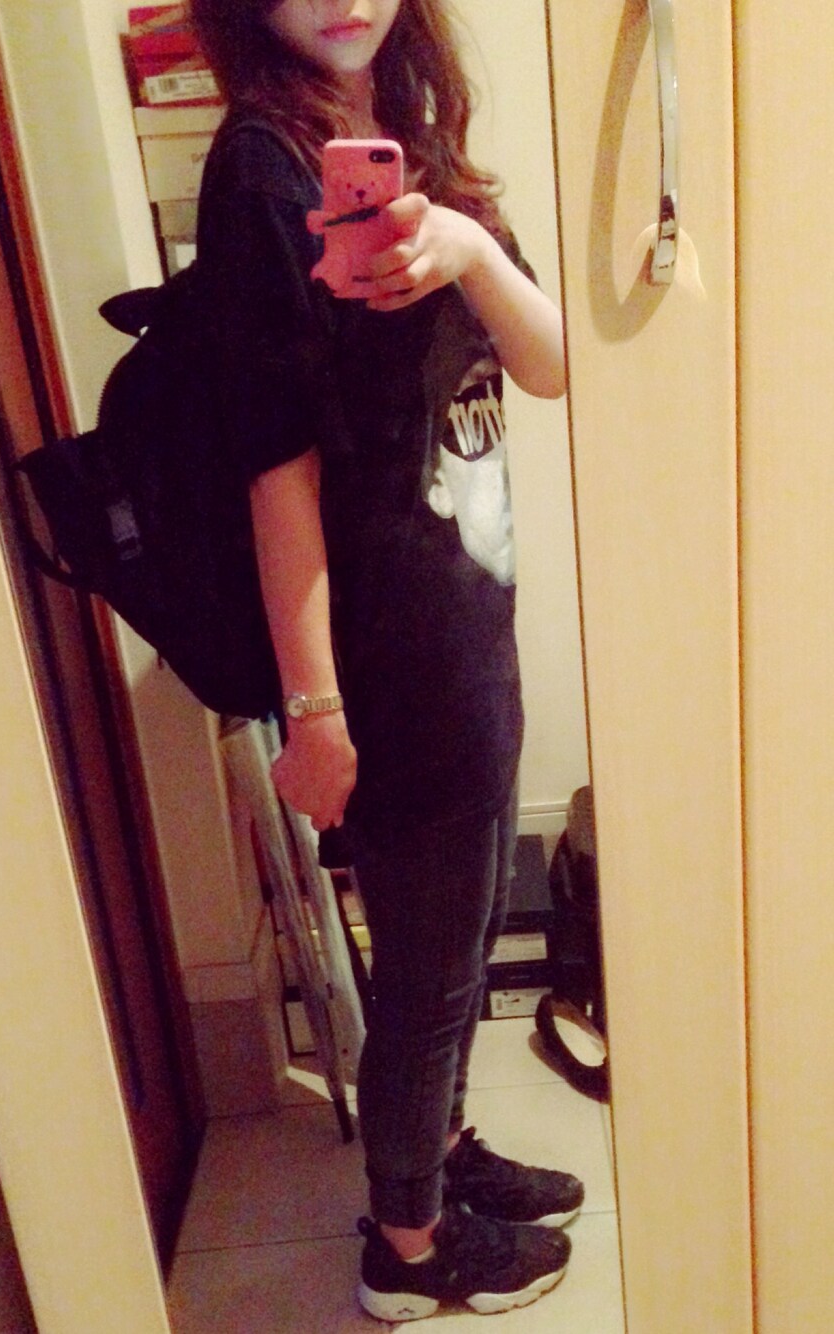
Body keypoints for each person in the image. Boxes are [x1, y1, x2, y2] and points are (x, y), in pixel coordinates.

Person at [189, 0, 584, 1320]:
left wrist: (464, 245)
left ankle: (442, 1151)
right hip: (392, 661)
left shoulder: (409, 138)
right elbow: (276, 470)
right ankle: (407, 1249)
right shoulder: (263, 168)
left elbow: (552, 364)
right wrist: (315, 709)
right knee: (427, 974)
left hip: (468, 626)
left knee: (459, 942)